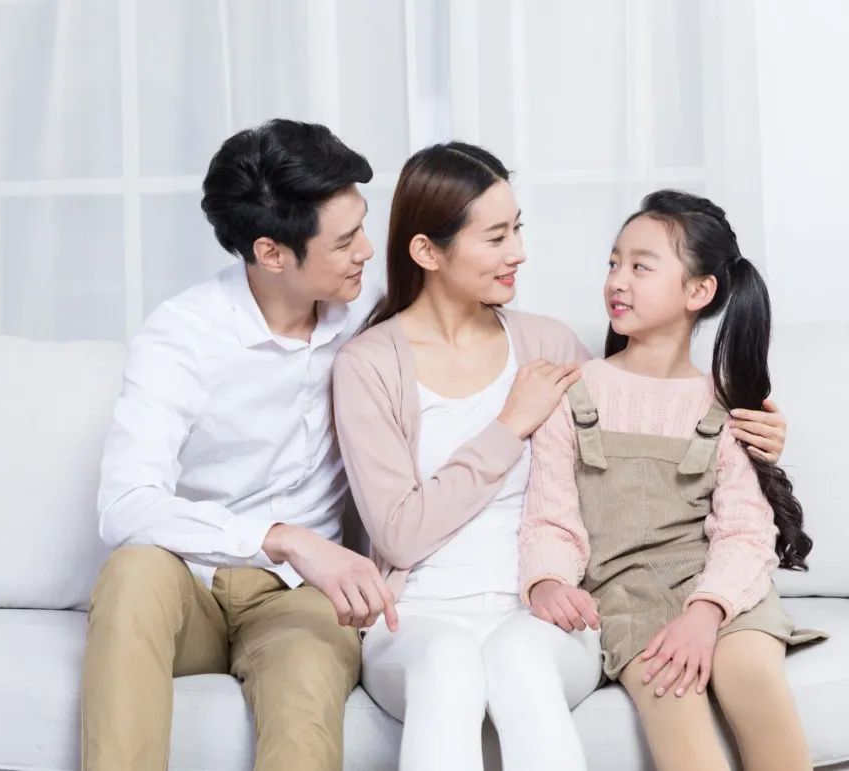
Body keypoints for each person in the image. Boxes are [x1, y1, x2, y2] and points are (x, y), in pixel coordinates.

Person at [331, 144, 789, 770]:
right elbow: (398, 535)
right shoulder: (367, 364)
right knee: (447, 663)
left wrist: (759, 437)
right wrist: (508, 427)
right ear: (428, 252)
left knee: (518, 658)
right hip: (419, 616)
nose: (518, 252)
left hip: (544, 615)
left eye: (517, 229)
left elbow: (645, 411)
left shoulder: (548, 344)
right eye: (496, 237)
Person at [81, 119, 396, 771]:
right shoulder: (183, 334)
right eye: (344, 242)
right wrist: (282, 537)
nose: (367, 250)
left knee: (304, 686)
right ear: (272, 253)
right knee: (132, 572)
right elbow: (124, 504)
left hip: (299, 598)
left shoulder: (369, 318)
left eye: (362, 227)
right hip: (189, 587)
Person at [519, 189, 826, 771]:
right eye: (613, 262)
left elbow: (744, 532)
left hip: (722, 592)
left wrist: (705, 612)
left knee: (751, 675)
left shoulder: (727, 405)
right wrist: (547, 583)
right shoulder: (572, 392)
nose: (617, 280)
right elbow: (550, 518)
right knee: (674, 695)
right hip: (627, 601)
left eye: (641, 266)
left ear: (698, 291)